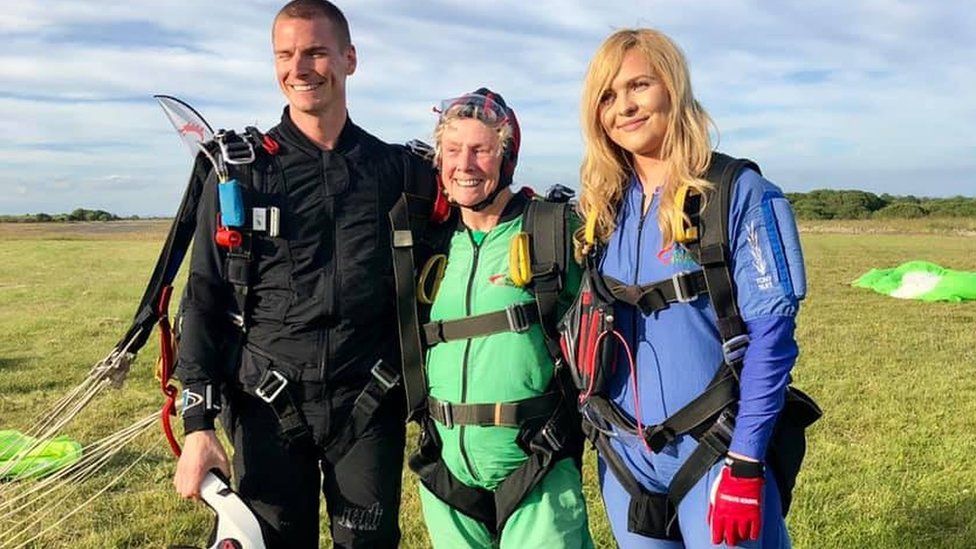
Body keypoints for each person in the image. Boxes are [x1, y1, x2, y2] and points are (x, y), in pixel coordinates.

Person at [171, 1, 434, 547]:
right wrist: (198, 426)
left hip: (369, 404)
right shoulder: (241, 173)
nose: (301, 67)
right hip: (268, 407)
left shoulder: (401, 172)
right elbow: (202, 299)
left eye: (316, 51)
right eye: (286, 54)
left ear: (350, 58)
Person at [574, 29, 808, 548]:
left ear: (673, 87)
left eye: (639, 85)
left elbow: (772, 339)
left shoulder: (738, 194)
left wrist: (746, 464)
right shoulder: (602, 211)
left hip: (717, 454)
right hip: (626, 463)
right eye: (608, 96)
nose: (624, 107)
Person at [400, 89, 593, 548]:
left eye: (481, 149)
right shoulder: (431, 242)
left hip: (536, 463)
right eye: (452, 149)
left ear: (507, 158)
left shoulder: (552, 230)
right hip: (448, 473)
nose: (464, 164)